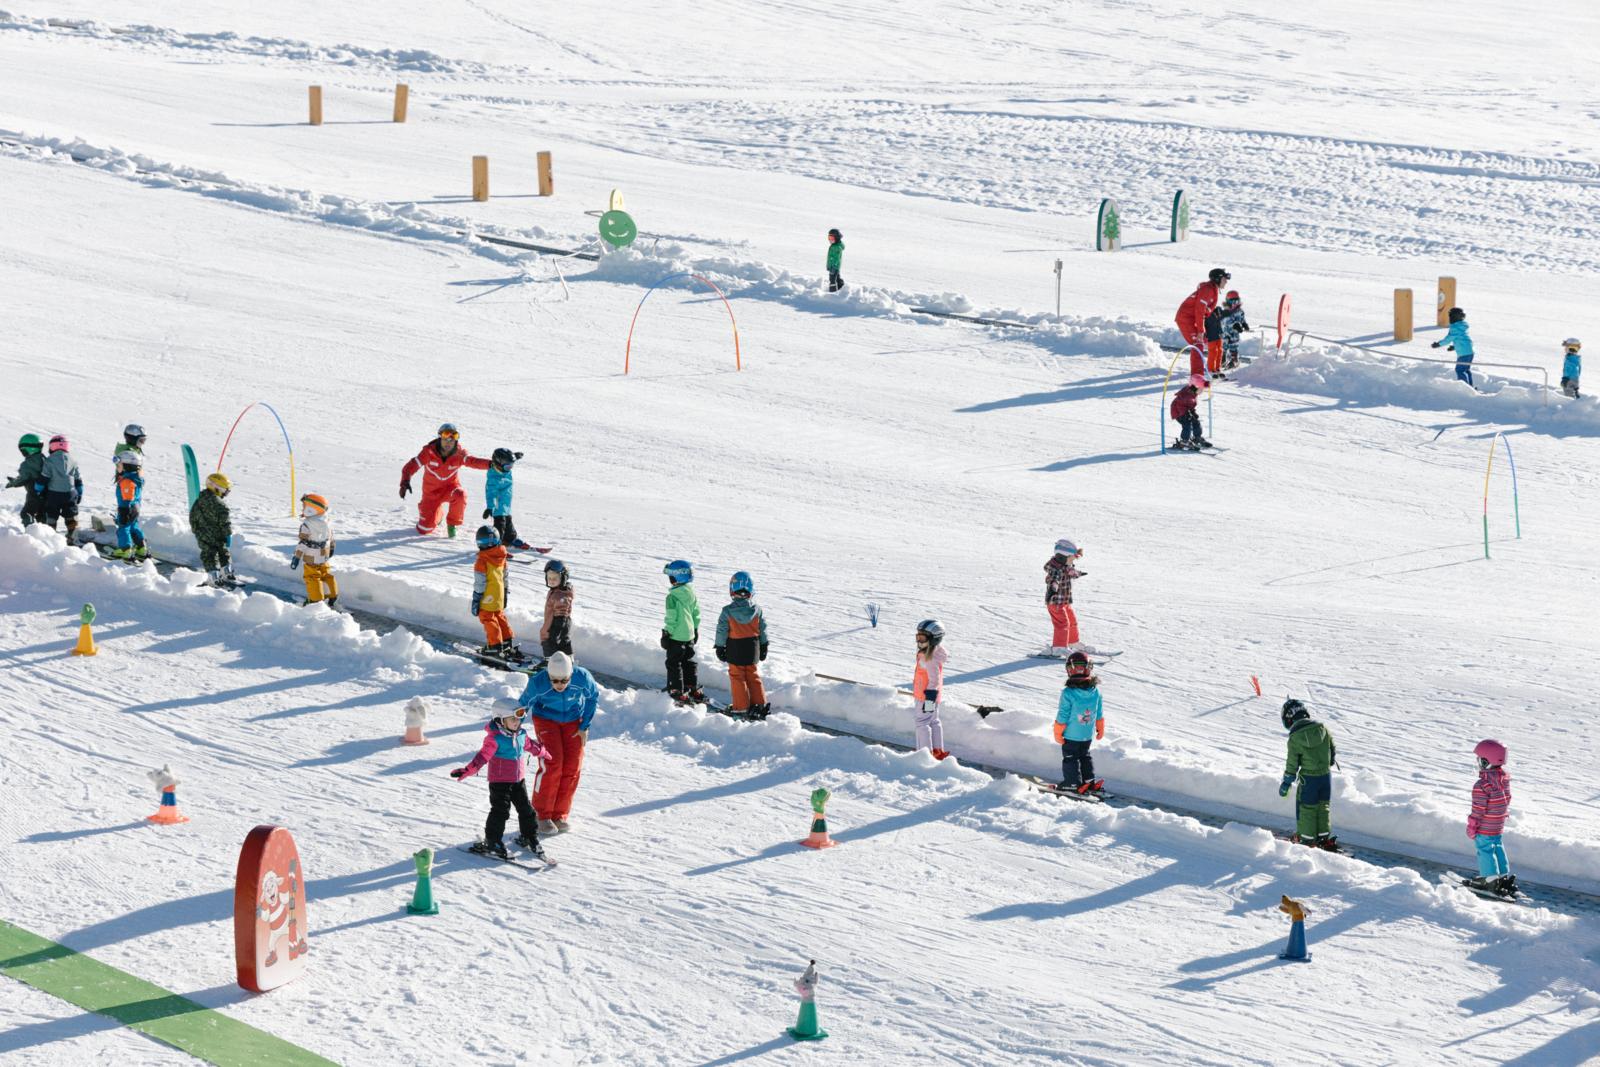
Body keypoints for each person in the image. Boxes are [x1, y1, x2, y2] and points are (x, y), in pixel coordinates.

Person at [450, 707, 549, 860]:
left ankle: (529, 837)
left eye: (519, 719)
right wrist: (467, 770)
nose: (517, 722)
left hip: (518, 780)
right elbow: (482, 757)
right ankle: (493, 842)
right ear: (500, 720)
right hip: (500, 781)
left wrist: (545, 754)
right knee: (501, 811)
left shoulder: (521, 734)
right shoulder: (495, 738)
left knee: (527, 810)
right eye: (513, 719)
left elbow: (531, 746)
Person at [516, 651, 599, 834]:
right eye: (554, 680)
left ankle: (559, 814)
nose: (559, 685)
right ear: (548, 675)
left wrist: (584, 726)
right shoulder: (538, 682)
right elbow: (523, 705)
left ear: (571, 674)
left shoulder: (582, 677)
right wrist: (513, 729)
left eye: (564, 680)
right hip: (546, 719)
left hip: (573, 720)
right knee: (553, 763)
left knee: (572, 766)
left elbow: (593, 697)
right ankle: (541, 814)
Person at [399, 422, 492, 537]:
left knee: (460, 494)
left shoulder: (459, 453)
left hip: (450, 489)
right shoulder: (428, 452)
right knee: (424, 530)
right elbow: (412, 465)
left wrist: (492, 464)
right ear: (439, 438)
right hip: (431, 493)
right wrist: (405, 481)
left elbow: (473, 461)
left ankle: (452, 525)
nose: (449, 441)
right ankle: (437, 514)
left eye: (453, 438)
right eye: (445, 437)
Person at [1278, 698, 1337, 850]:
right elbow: (1332, 748)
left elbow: (1292, 764)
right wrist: (1328, 761)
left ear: (1289, 719)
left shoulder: (1295, 737)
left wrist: (1286, 782)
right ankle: (1324, 838)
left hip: (1309, 779)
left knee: (1307, 809)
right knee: (1323, 806)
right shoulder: (1322, 728)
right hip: (1326, 777)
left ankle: (1306, 840)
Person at [715, 570, 770, 718]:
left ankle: (741, 707)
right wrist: (764, 645)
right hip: (753, 648)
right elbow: (763, 629)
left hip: (735, 648)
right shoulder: (757, 610)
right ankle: (760, 703)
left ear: (732, 590)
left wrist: (720, 646)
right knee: (752, 674)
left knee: (737, 676)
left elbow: (722, 630)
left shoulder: (727, 611)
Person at [1466, 739, 1515, 896]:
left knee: (1485, 850)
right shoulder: (1503, 780)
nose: (1478, 762)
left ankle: (1489, 879)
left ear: (1485, 761)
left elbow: (1478, 810)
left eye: (1479, 759)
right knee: (1497, 847)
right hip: (1498, 825)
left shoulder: (1482, 785)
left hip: (1485, 827)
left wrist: (1472, 827)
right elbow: (1507, 799)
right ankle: (1502, 875)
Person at [471, 524, 527, 663]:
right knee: (499, 616)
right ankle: (507, 642)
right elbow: (505, 577)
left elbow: (480, 583)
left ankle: (495, 646)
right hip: (499, 595)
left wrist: (477, 598)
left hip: (487, 597)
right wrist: (505, 592)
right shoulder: (502, 557)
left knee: (488, 618)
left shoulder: (481, 561)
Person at [1053, 651, 1105, 794]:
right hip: (1086, 734)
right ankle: (1089, 781)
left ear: (1069, 669)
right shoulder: (1096, 691)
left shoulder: (1068, 693)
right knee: (1085, 756)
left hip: (1071, 735)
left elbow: (1063, 715)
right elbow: (1099, 712)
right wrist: (1100, 727)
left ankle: (1072, 783)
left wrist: (1057, 732)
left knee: (1070, 758)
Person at [662, 559, 703, 703]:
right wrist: (695, 629)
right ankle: (692, 687)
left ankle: (676, 690)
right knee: (688, 660)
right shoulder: (691, 593)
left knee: (674, 662)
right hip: (690, 635)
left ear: (675, 578)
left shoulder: (672, 597)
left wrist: (667, 633)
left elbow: (672, 618)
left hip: (677, 636)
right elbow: (696, 614)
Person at [1176, 268, 1229, 378]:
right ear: (1218, 279)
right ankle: (1197, 375)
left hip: (1193, 318)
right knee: (1197, 344)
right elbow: (1199, 310)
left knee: (1202, 342)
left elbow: (1204, 312)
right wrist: (1200, 330)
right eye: (1224, 279)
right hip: (1186, 318)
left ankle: (1204, 370)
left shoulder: (1212, 289)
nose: (1226, 282)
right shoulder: (1208, 290)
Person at [911, 619, 950, 760]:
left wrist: (929, 699)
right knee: (934, 721)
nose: (919, 640)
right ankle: (937, 751)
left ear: (934, 639)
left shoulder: (930, 658)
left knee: (922, 723)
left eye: (922, 637)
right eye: (918, 636)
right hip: (932, 696)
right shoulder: (934, 653)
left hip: (926, 696)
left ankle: (924, 754)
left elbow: (934, 679)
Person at [190, 472, 236, 586]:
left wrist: (196, 530)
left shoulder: (199, 500)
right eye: (225, 490)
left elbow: (193, 516)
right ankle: (227, 573)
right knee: (223, 552)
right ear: (216, 488)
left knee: (209, 554)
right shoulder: (221, 506)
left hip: (203, 534)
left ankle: (213, 575)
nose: (226, 493)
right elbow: (225, 522)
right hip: (218, 534)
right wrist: (228, 534)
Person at [292, 493, 338, 608]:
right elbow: (331, 536)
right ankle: (332, 596)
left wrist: (296, 557)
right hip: (324, 553)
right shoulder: (327, 521)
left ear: (311, 510)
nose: (303, 509)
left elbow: (303, 543)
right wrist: (332, 547)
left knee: (312, 577)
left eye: (304, 507)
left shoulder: (307, 525)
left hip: (311, 556)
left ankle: (315, 601)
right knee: (326, 574)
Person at [483, 447, 530, 550]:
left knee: (508, 522)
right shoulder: (493, 479)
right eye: (508, 466)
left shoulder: (503, 470)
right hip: (498, 507)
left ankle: (510, 539)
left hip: (505, 505)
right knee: (500, 526)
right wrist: (490, 507)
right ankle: (495, 546)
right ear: (498, 464)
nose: (510, 468)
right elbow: (490, 494)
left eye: (511, 465)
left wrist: (514, 457)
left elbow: (508, 461)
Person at [1043, 538, 1083, 654]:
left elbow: (1070, 571)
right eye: (1072, 558)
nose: (1073, 561)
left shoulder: (1065, 565)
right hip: (1055, 602)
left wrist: (1077, 573)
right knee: (1062, 623)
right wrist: (1053, 585)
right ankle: (1059, 647)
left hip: (1065, 601)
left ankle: (1072, 642)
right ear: (1062, 557)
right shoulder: (1055, 568)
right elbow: (1052, 578)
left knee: (1072, 620)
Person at [40, 435, 83, 539]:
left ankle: (50, 537)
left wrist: (38, 490)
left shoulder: (49, 460)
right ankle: (73, 535)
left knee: (51, 515)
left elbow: (44, 477)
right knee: (70, 515)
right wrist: (80, 492)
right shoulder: (73, 460)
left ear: (52, 446)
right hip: (70, 494)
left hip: (53, 494)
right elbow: (78, 479)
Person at [110, 450, 147, 561]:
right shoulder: (136, 478)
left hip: (126, 508)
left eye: (119, 465)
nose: (117, 467)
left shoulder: (127, 481)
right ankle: (141, 548)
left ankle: (125, 550)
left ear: (127, 466)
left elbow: (128, 497)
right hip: (136, 508)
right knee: (134, 527)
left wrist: (124, 511)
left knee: (123, 528)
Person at [6, 433, 46, 526]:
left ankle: (30, 534)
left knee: (26, 513)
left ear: (28, 449)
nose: (22, 452)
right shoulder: (45, 459)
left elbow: (23, 478)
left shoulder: (27, 464)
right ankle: (46, 535)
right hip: (47, 494)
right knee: (41, 515)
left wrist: (13, 483)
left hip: (34, 495)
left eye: (23, 450)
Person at [1432, 306, 1475, 387]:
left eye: (1450, 316)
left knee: (1460, 370)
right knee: (1466, 370)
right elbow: (1462, 339)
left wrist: (1438, 344)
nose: (1449, 318)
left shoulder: (1455, 327)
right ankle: (1470, 386)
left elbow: (1449, 338)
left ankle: (1465, 387)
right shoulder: (1461, 326)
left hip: (1464, 353)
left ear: (1454, 317)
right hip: (1469, 351)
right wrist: (1454, 346)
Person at [541, 559, 574, 659]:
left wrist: (556, 631)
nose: (551, 580)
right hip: (555, 623)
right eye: (549, 577)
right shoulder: (557, 591)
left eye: (555, 578)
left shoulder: (561, 596)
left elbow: (561, 615)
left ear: (563, 578)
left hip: (557, 624)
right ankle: (568, 659)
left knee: (549, 642)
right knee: (564, 642)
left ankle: (551, 662)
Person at [1170, 375, 1210, 451]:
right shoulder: (1186, 395)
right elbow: (1180, 405)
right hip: (1178, 412)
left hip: (1186, 411)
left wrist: (1192, 412)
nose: (1201, 391)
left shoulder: (1193, 392)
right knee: (1187, 424)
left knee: (1196, 422)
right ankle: (1184, 441)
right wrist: (1185, 414)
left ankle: (1197, 438)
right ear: (1195, 387)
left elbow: (1189, 405)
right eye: (1200, 389)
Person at [1220, 291, 1251, 371]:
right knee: (1224, 345)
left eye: (1236, 301)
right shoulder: (1226, 311)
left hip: (1234, 334)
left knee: (1233, 346)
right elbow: (1225, 321)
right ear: (1228, 302)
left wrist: (1244, 324)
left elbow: (1242, 319)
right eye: (1233, 302)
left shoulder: (1240, 311)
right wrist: (1234, 324)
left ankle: (1234, 360)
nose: (1235, 304)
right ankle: (1222, 359)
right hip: (1226, 332)